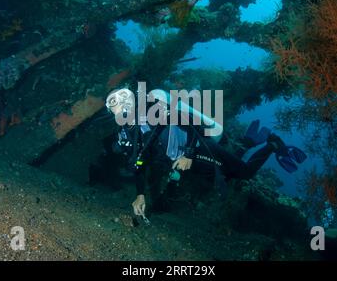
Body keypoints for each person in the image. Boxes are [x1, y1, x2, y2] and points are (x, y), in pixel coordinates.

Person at [104, 87, 306, 219]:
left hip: (198, 148)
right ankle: (246, 143)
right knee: (225, 176)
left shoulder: (154, 112)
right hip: (180, 162)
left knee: (244, 173)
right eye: (118, 115)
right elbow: (139, 165)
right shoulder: (127, 135)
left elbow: (195, 126)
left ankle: (272, 144)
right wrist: (140, 194)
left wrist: (188, 155)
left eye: (124, 111)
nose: (122, 118)